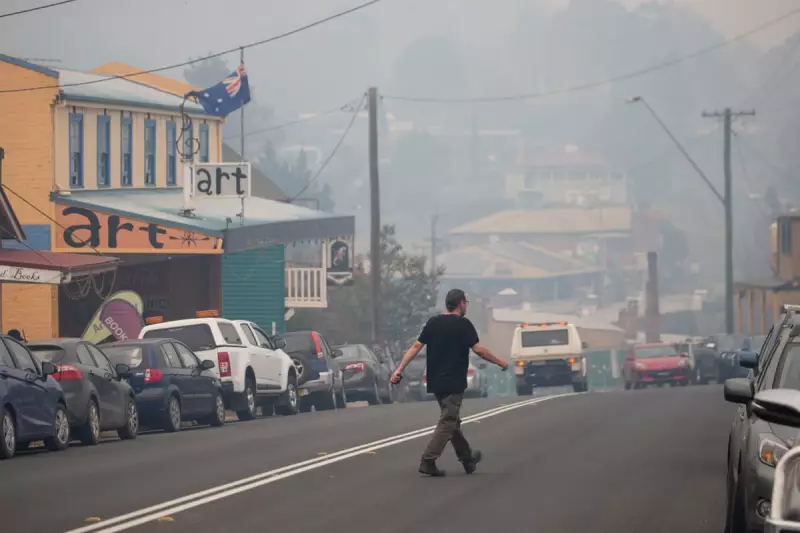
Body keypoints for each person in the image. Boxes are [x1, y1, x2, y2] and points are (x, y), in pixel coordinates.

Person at [391, 289, 509, 476]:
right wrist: (500, 361)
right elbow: (479, 350)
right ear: (461, 303)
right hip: (453, 382)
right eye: (466, 303)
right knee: (448, 421)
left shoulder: (433, 323)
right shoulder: (463, 324)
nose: (466, 306)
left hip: (436, 382)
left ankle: (467, 457)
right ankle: (428, 460)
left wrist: (399, 369)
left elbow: (416, 346)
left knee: (452, 419)